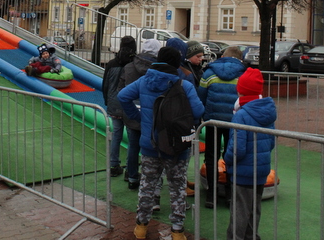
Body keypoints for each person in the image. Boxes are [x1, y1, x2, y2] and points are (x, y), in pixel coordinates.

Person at [118, 47, 205, 240]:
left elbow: (123, 97)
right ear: (176, 64)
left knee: (147, 185)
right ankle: (177, 230)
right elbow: (199, 112)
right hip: (176, 146)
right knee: (177, 187)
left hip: (150, 144)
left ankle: (141, 226)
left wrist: (139, 118)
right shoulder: (184, 85)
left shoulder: (144, 81)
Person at [225, 67, 276, 240]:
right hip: (261, 170)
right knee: (254, 209)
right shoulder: (268, 112)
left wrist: (227, 160)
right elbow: (271, 142)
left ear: (241, 90)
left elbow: (237, 148)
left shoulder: (241, 115)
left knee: (239, 210)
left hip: (243, 171)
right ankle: (251, 236)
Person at [198, 45, 246, 209]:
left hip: (213, 120)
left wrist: (204, 115)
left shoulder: (209, 72)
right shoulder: (243, 73)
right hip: (234, 121)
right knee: (231, 156)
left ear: (223, 56)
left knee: (211, 155)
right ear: (239, 58)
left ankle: (211, 195)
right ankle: (230, 195)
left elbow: (201, 96)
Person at [121, 39, 161, 191]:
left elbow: (122, 90)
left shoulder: (129, 67)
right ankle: (150, 179)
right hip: (151, 114)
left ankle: (132, 177)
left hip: (133, 111)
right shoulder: (158, 70)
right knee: (152, 148)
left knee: (133, 146)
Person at [102, 35, 137, 177]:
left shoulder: (111, 64)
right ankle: (130, 169)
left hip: (114, 103)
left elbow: (105, 85)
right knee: (131, 138)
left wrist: (107, 101)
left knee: (116, 135)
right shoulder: (134, 64)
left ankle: (113, 164)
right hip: (129, 105)